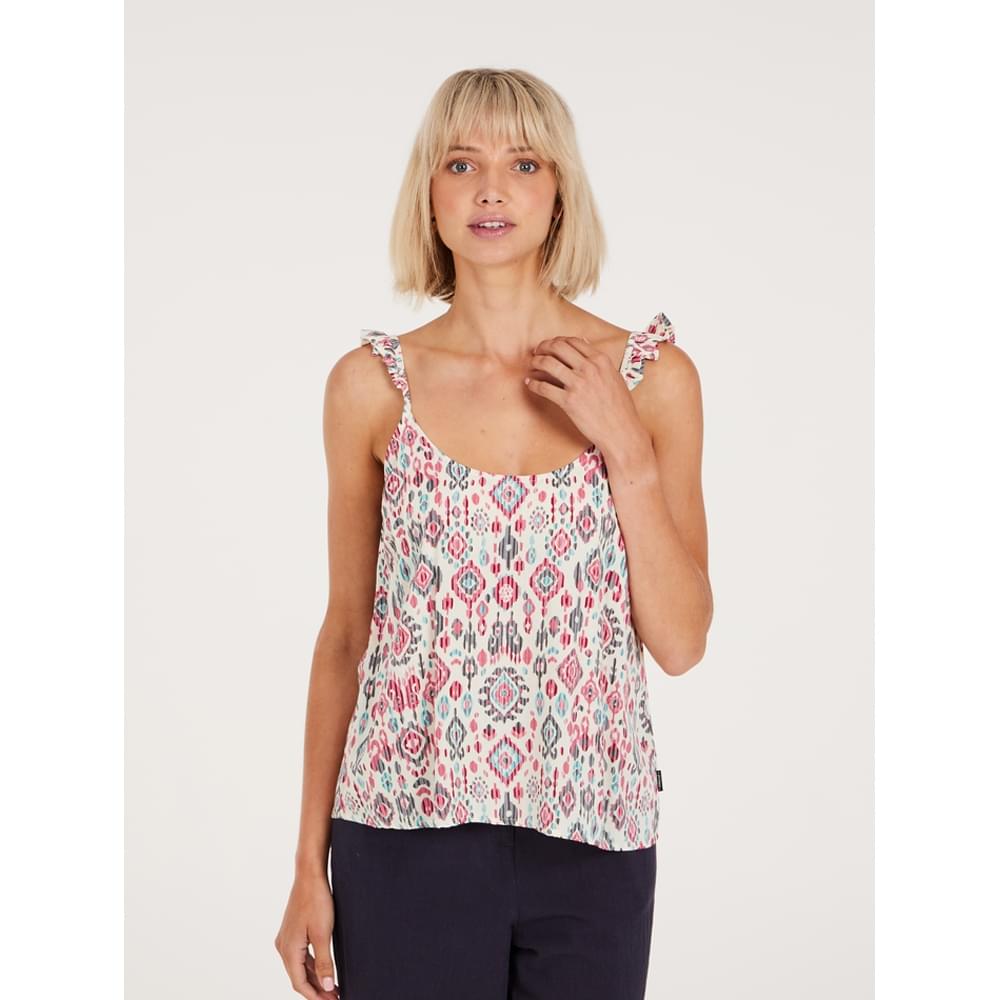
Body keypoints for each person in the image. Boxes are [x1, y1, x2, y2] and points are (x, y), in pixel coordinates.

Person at [275, 67, 712, 1000]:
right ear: (429, 194)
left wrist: (627, 449)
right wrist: (308, 866)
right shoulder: (371, 387)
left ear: (560, 195)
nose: (490, 190)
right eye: (461, 163)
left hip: (595, 834)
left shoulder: (651, 378)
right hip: (401, 832)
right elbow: (345, 635)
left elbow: (680, 643)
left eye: (523, 163)